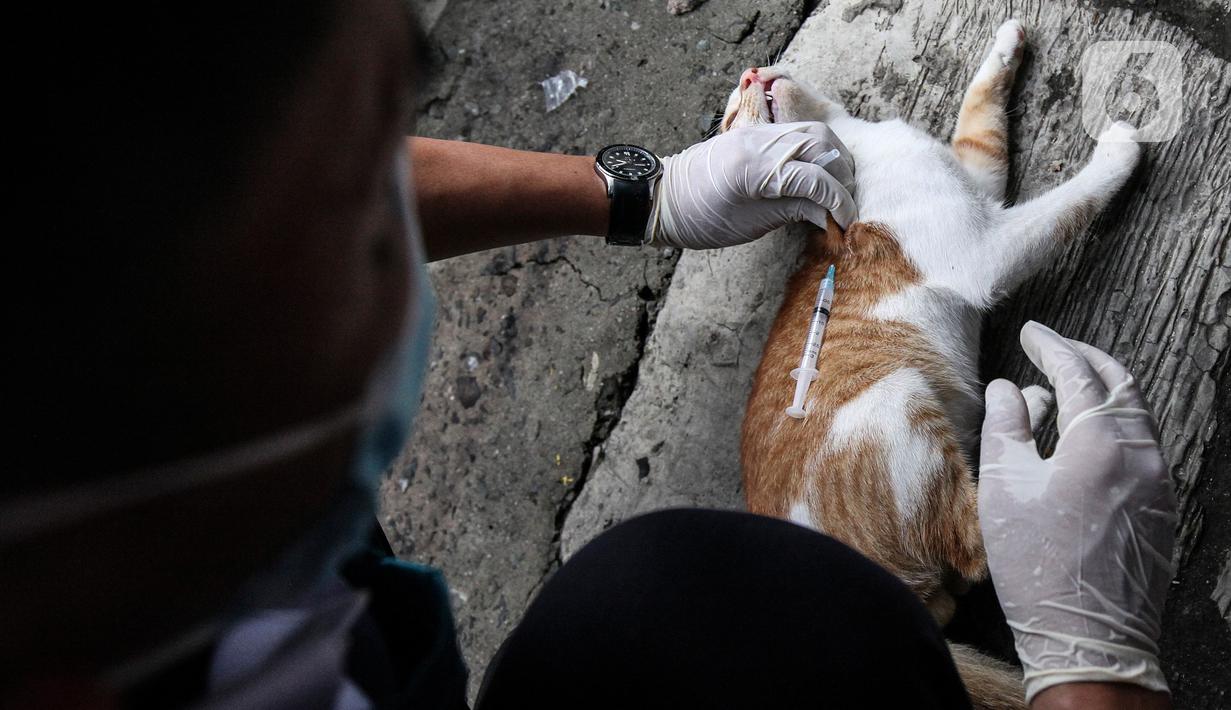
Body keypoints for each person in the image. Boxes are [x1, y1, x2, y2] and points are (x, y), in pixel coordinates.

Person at [8, 1, 1176, 708]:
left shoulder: (114, 553)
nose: (404, 253)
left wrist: (641, 193)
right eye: (367, 247)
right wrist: (1095, 669)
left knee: (682, 596)